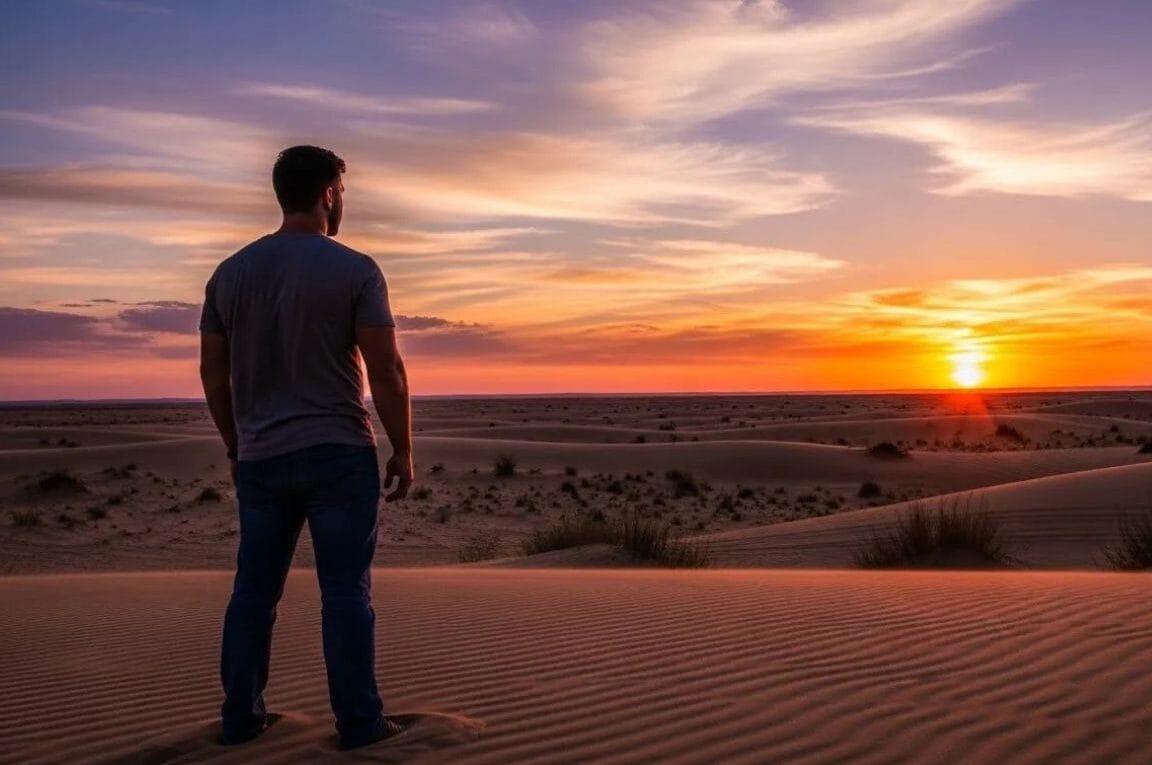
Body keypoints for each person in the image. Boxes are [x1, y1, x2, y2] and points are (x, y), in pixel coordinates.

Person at [198, 145, 414, 750]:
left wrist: (236, 443)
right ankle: (360, 725)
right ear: (327, 193)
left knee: (253, 594)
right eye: (341, 191)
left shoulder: (230, 273)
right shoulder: (356, 270)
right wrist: (403, 447)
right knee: (346, 594)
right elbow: (388, 370)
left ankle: (240, 719)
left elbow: (213, 377)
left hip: (263, 459)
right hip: (339, 453)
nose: (342, 201)